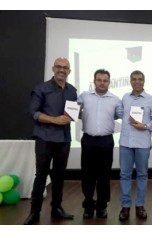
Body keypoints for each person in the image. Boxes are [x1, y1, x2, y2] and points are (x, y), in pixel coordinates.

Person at [25, 57, 77, 225]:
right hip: (44, 138)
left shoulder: (72, 91)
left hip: (64, 139)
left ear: (69, 71)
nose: (62, 70)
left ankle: (57, 208)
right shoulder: (41, 88)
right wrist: (54, 120)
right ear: (53, 69)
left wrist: (76, 115)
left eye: (65, 68)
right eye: (59, 67)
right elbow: (33, 113)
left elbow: (72, 113)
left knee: (60, 175)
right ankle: (34, 212)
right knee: (41, 175)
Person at [77, 69, 123, 219]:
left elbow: (119, 115)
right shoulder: (84, 96)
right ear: (94, 81)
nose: (102, 83)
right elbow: (74, 111)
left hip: (106, 141)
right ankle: (88, 205)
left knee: (104, 175)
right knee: (87, 174)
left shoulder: (116, 100)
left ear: (109, 82)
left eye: (105, 80)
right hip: (88, 140)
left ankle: (102, 206)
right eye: (99, 80)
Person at [118, 70, 152, 221]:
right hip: (125, 143)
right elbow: (120, 114)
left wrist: (145, 126)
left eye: (140, 79)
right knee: (124, 175)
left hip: (142, 143)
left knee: (142, 174)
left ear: (144, 81)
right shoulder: (125, 98)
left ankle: (140, 205)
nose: (137, 81)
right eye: (134, 79)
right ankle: (125, 206)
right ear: (130, 81)